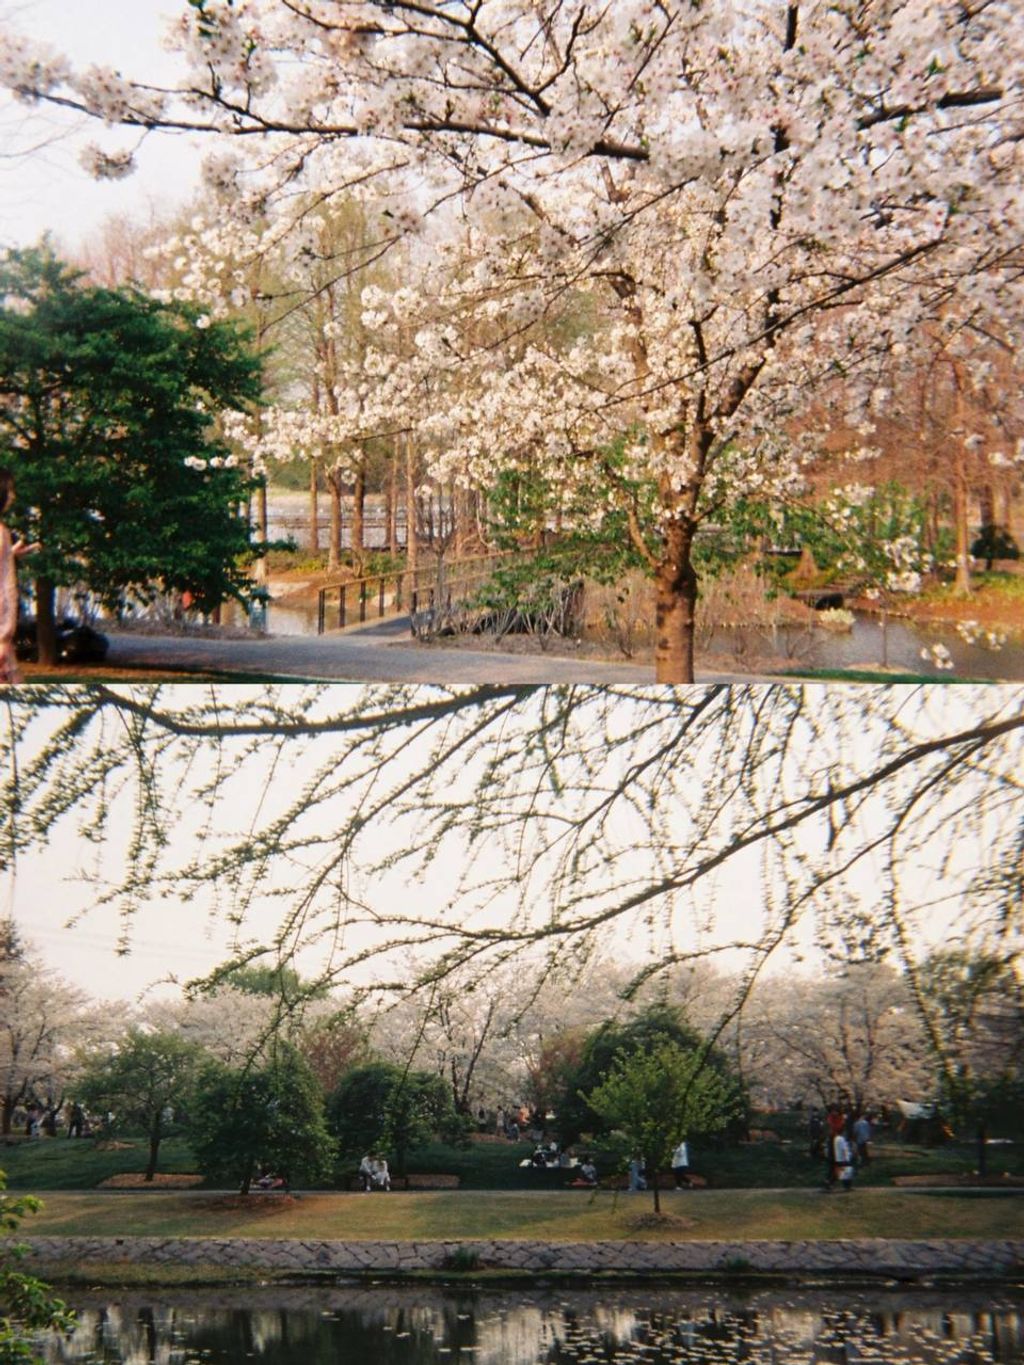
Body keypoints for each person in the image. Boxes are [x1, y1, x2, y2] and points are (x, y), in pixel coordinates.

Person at [0, 468, 41, 684]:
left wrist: (10, 555)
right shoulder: (1, 532)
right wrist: (4, 636)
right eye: (9, 490)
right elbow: (6, 591)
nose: (13, 496)